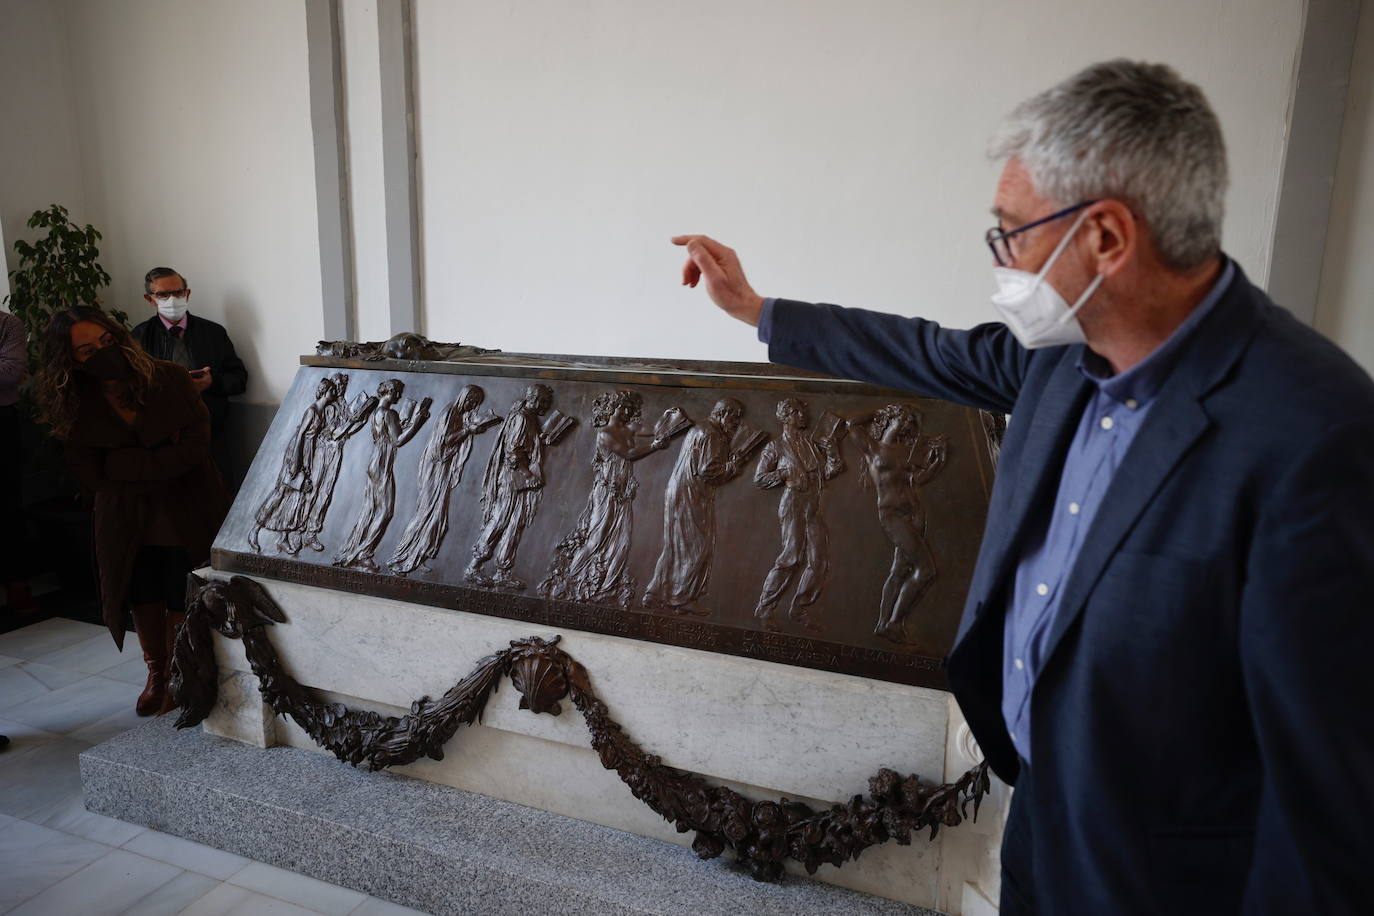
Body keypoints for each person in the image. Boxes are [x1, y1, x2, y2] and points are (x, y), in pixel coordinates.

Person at [672, 60, 1374, 915]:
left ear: (1107, 238)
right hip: (1042, 811)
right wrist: (754, 308)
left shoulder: (1313, 433)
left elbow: (1328, 799)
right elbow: (926, 351)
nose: (1000, 259)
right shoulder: (1064, 360)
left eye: (1010, 233)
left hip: (1175, 873)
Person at [36, 307, 229, 716]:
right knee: (140, 585)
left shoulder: (168, 378)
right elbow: (91, 472)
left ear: (117, 334)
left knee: (183, 581)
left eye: (106, 341)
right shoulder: (75, 401)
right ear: (70, 360)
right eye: (86, 350)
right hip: (125, 514)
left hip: (187, 503)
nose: (103, 353)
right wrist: (158, 459)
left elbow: (195, 444)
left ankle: (182, 669)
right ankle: (156, 672)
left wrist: (128, 464)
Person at [131, 267, 248, 476]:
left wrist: (212, 382)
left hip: (211, 430)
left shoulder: (213, 333)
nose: (172, 299)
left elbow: (239, 378)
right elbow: (132, 387)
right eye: (163, 294)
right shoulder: (139, 337)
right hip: (163, 436)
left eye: (178, 292)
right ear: (150, 299)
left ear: (187, 293)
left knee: (217, 494)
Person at [642, 397, 745, 616]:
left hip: (678, 491)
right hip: (692, 494)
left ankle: (655, 592)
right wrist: (732, 467)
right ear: (723, 413)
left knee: (674, 545)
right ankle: (681, 597)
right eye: (735, 418)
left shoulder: (701, 428)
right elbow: (708, 470)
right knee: (697, 547)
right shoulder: (712, 433)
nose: (737, 423)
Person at [0, 308, 35, 614]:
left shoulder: (7, 322)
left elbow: (11, 373)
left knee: (8, 505)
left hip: (2, 423)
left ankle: (18, 585)